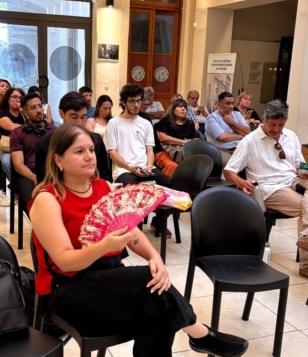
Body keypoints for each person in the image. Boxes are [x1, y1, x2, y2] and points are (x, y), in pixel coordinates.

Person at [29, 124, 249, 357]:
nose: (89, 156)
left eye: (91, 150)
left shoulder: (103, 188)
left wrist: (155, 258)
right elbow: (64, 262)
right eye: (79, 151)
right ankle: (200, 334)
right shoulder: (48, 199)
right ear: (59, 160)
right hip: (67, 289)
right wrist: (103, 246)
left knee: (158, 304)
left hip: (107, 279)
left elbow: (131, 232)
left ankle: (199, 336)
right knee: (148, 283)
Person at [223, 99, 308, 285]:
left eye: (281, 125)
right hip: (269, 187)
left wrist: (304, 171)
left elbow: (298, 164)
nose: (276, 129)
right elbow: (229, 171)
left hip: (293, 180)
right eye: (272, 124)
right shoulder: (249, 141)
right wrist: (241, 182)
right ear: (264, 119)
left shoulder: (290, 136)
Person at [35, 91, 112, 184]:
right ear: (61, 114)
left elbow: (105, 178)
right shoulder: (45, 145)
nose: (79, 123)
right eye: (74, 117)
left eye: (83, 117)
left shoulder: (96, 141)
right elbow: (43, 183)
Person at [105, 84, 170, 187]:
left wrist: (149, 168)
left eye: (139, 101)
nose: (136, 105)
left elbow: (150, 151)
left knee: (170, 183)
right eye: (132, 101)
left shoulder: (146, 123)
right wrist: (130, 168)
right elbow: (112, 153)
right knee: (134, 190)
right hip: (124, 170)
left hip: (146, 168)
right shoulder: (113, 123)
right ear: (123, 102)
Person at [10, 92, 55, 213]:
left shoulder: (55, 132)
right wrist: (34, 178)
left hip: (51, 172)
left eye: (40, 106)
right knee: (29, 199)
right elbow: (18, 164)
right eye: (33, 107)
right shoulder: (17, 133)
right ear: (24, 112)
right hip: (28, 174)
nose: (39, 110)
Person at [155, 99, 199, 177]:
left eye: (185, 107)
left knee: (196, 164)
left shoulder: (190, 123)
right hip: (163, 151)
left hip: (184, 152)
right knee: (172, 165)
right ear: (173, 109)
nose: (183, 109)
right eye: (180, 107)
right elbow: (163, 138)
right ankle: (167, 184)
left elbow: (195, 139)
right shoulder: (165, 121)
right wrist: (183, 142)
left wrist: (186, 145)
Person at [205, 91, 250, 167]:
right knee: (233, 165)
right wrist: (241, 135)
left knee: (255, 162)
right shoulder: (212, 118)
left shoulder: (237, 115)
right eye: (228, 103)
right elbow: (222, 137)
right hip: (221, 150)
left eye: (232, 103)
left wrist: (230, 122)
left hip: (240, 149)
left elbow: (247, 132)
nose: (231, 106)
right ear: (219, 105)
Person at [0, 87, 26, 178]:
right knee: (7, 161)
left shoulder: (24, 113)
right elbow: (11, 127)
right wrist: (28, 126)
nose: (18, 100)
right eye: (15, 97)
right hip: (8, 147)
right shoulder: (2, 113)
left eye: (20, 98)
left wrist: (24, 111)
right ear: (8, 99)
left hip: (25, 145)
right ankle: (15, 182)